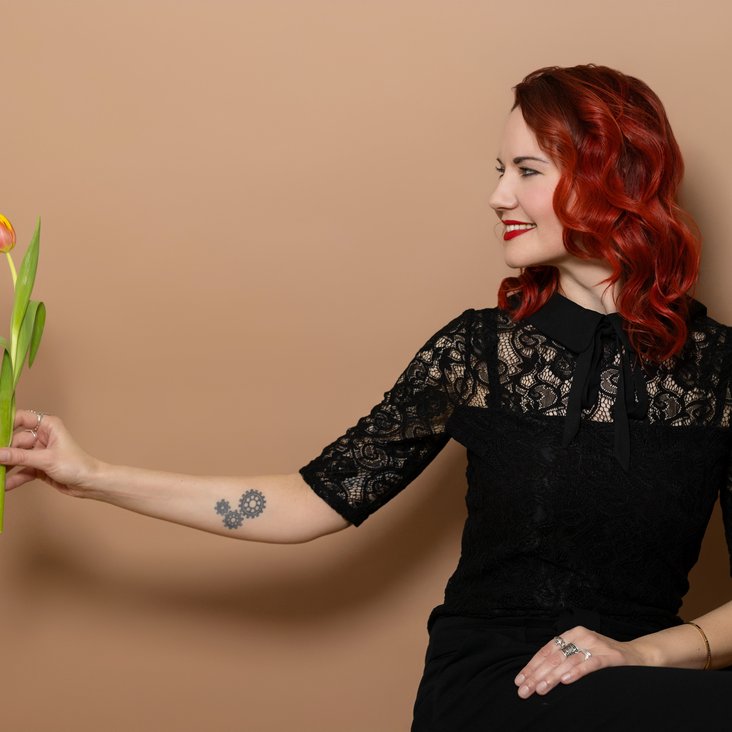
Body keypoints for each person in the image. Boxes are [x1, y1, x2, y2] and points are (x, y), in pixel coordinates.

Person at [2, 64, 732, 730]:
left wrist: (647, 655)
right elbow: (307, 501)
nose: (497, 195)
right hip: (496, 687)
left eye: (527, 170)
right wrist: (89, 475)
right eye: (499, 169)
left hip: (642, 681)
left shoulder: (723, 372)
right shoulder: (478, 352)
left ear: (614, 180)